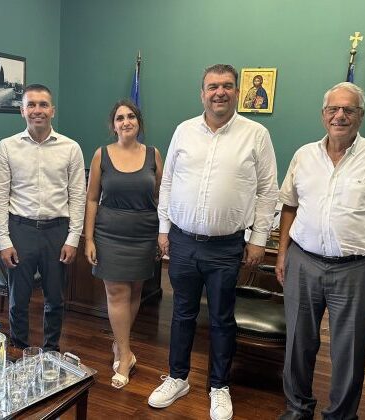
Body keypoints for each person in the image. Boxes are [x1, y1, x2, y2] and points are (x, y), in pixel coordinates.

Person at [275, 82, 365, 420]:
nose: (340, 116)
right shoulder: (304, 155)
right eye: (333, 109)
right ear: (323, 115)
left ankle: (340, 415)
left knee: (349, 351)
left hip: (356, 269)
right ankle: (297, 408)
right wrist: (282, 255)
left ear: (360, 116)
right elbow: (289, 206)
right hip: (303, 262)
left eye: (348, 110)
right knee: (297, 344)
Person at [148, 64, 279, 420]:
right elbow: (168, 182)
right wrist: (163, 229)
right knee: (182, 313)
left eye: (227, 86)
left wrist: (258, 239)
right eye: (212, 86)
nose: (219, 92)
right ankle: (178, 377)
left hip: (226, 246)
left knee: (221, 318)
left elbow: (268, 191)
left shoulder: (256, 134)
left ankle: (219, 386)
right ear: (202, 93)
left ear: (237, 92)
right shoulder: (184, 131)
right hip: (183, 241)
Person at [0, 84, 86, 352]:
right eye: (31, 105)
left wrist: (73, 239)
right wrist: (3, 242)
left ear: (52, 110)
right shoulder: (7, 147)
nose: (37, 110)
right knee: (18, 300)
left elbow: (78, 196)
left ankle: (51, 350)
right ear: (22, 111)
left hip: (57, 231)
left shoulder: (71, 148)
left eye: (43, 104)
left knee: (55, 299)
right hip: (20, 230)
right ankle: (20, 349)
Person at [84, 99, 163, 389]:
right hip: (110, 234)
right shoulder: (101, 155)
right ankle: (126, 354)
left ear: (139, 122)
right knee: (117, 293)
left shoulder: (153, 154)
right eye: (120, 118)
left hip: (144, 233)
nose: (126, 121)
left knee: (134, 293)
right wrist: (88, 238)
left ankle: (120, 346)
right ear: (113, 125)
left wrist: (162, 234)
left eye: (131, 116)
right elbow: (92, 199)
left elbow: (161, 197)